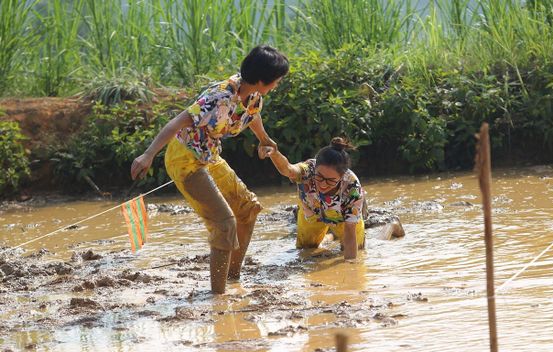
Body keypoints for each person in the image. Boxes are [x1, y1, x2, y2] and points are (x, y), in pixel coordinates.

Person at [130, 45, 289, 294]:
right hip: (185, 160)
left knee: (248, 209)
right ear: (261, 80)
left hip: (209, 156)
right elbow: (175, 123)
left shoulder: (254, 95)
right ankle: (218, 296)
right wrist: (148, 154)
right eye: (277, 81)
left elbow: (252, 116)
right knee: (225, 223)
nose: (278, 85)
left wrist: (264, 139)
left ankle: (232, 279)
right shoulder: (219, 96)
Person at [260, 137, 404, 260]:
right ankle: (331, 235)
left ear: (342, 177)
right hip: (312, 213)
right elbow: (288, 169)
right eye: (319, 177)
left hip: (342, 219)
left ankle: (392, 225)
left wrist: (351, 271)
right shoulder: (308, 169)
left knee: (358, 251)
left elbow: (350, 232)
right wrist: (275, 154)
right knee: (305, 251)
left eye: (330, 180)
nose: (322, 184)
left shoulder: (352, 187)